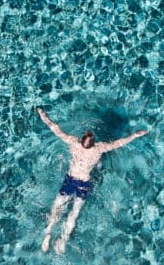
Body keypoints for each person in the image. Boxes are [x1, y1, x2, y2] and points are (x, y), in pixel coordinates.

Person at [37, 107, 148, 253]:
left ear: (82, 140)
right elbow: (119, 143)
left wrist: (43, 114)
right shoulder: (99, 148)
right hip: (83, 184)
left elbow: (55, 129)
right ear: (93, 142)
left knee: (57, 206)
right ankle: (62, 240)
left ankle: (49, 231)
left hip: (70, 180)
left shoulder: (73, 142)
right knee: (74, 213)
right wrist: (135, 135)